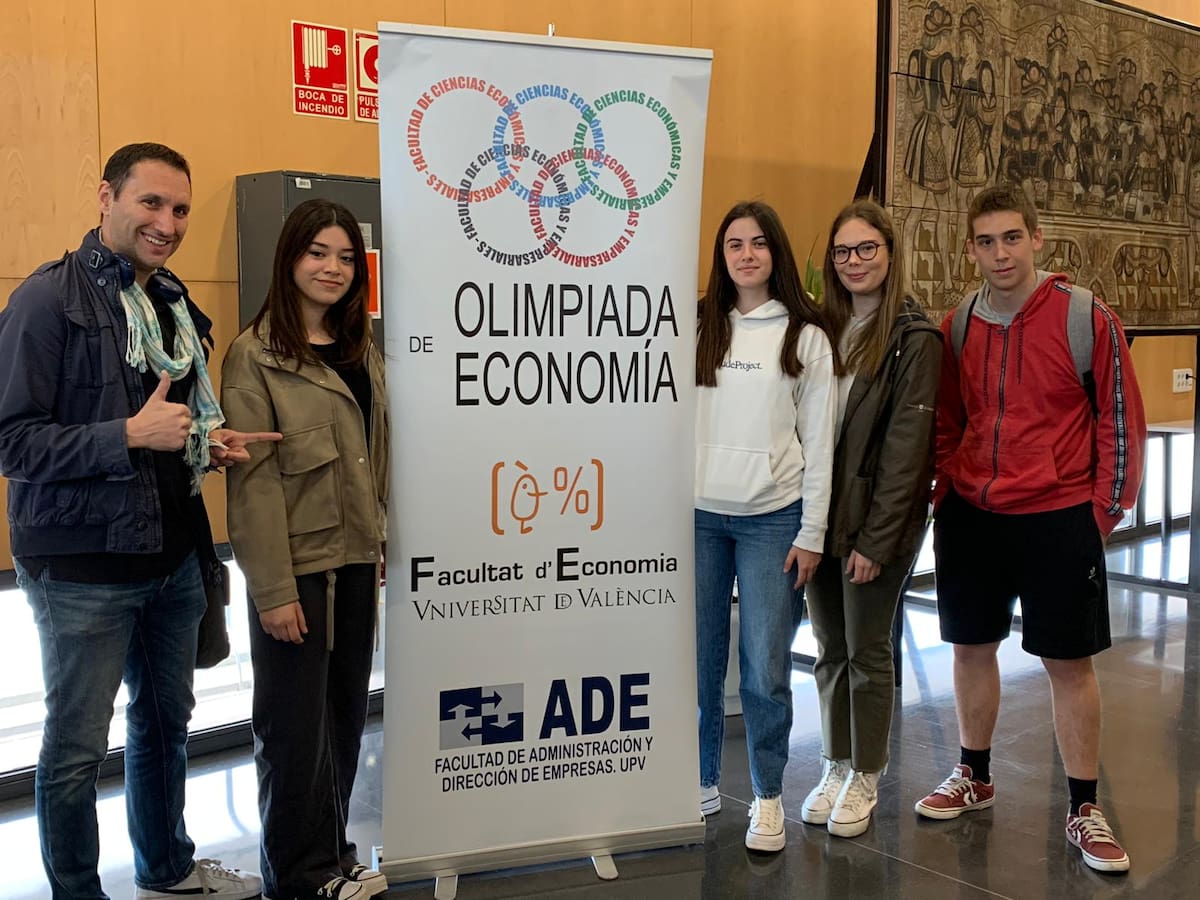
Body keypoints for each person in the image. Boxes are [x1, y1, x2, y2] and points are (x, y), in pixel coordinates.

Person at [0, 142, 273, 898]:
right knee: (77, 751)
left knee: (164, 728)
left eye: (180, 208)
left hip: (173, 558)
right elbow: (10, 441)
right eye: (150, 203)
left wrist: (204, 444)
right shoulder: (46, 301)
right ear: (106, 198)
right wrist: (124, 434)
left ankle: (167, 870)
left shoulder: (174, 304)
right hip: (82, 570)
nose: (167, 222)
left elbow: (169, 425)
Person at [915, 184, 1146, 874]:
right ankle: (974, 775)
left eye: (1011, 237)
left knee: (1068, 666)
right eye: (985, 241)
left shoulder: (1085, 317)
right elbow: (949, 417)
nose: (1000, 253)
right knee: (969, 649)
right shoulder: (958, 323)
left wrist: (1104, 509)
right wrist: (948, 486)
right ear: (970, 250)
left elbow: (1119, 418)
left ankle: (1083, 807)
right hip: (974, 518)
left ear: (1037, 239)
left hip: (1058, 515)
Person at [222, 199, 390, 900]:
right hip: (300, 576)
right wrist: (273, 590)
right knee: (294, 734)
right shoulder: (253, 356)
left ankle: (333, 854)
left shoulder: (360, 347)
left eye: (346, 257)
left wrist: (378, 539)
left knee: (344, 720)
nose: (332, 268)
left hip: (354, 564)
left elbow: (373, 457)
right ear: (289, 259)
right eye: (317, 253)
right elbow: (252, 489)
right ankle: (299, 877)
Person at [694, 200, 836, 852]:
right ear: (722, 257)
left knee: (764, 668)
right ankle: (699, 782)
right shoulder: (699, 327)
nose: (746, 254)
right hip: (698, 519)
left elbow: (820, 442)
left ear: (775, 252)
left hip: (770, 523)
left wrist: (812, 531)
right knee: (699, 665)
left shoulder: (804, 335)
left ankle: (768, 795)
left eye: (757, 243)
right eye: (733, 245)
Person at [802, 199, 942, 838]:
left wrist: (878, 541)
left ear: (890, 254)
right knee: (828, 648)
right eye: (843, 252)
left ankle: (867, 774)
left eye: (867, 249)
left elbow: (907, 457)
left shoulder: (915, 339)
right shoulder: (821, 330)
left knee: (867, 650)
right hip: (821, 521)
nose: (854, 262)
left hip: (873, 526)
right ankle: (834, 762)